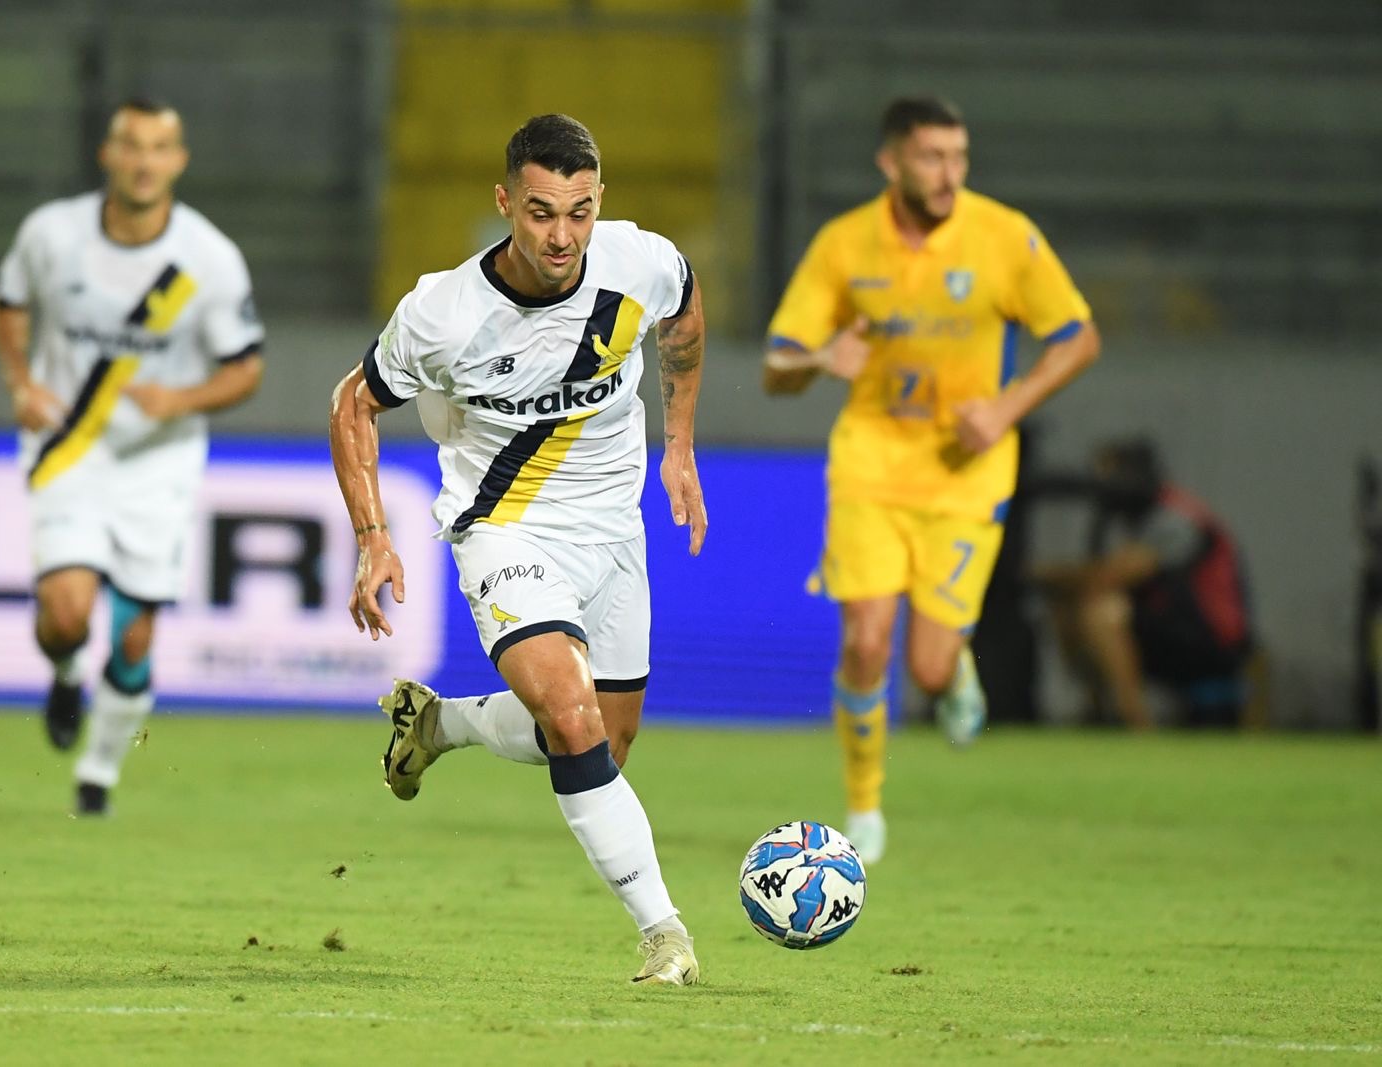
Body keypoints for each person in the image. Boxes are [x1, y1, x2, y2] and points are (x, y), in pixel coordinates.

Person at [329, 114, 708, 985]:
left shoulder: (638, 262)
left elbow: (684, 314)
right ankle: (665, 934)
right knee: (571, 718)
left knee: (598, 745)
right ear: (505, 203)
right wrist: (374, 538)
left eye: (580, 211)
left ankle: (440, 723)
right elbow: (354, 402)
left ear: (600, 200)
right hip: (505, 528)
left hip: (614, 531)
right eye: (541, 212)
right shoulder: (445, 314)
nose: (562, 235)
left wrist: (680, 442)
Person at [761, 97, 1101, 864]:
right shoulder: (845, 243)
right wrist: (819, 360)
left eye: (959, 157)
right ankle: (864, 807)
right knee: (866, 639)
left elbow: (1079, 337)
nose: (950, 174)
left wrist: (1007, 408)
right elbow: (777, 364)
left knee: (926, 666)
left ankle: (954, 668)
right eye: (932, 157)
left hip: (965, 475)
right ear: (891, 162)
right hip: (872, 464)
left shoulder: (1003, 236)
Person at [0, 98, 265, 814]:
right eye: (131, 145)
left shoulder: (208, 258)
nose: (145, 162)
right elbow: (8, 303)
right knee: (66, 615)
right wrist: (19, 383)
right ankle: (64, 670)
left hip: (158, 461)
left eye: (159, 147)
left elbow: (245, 367)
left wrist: (181, 399)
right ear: (107, 154)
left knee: (135, 634)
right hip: (70, 446)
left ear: (179, 161)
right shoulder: (52, 233)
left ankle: (97, 776)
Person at [1037, 440, 1253, 729]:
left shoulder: (1175, 517)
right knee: (1066, 606)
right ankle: (1095, 712)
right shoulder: (1136, 516)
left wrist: (1044, 574)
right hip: (1168, 626)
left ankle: (1137, 725)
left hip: (1208, 638)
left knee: (1102, 610)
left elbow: (1111, 577)